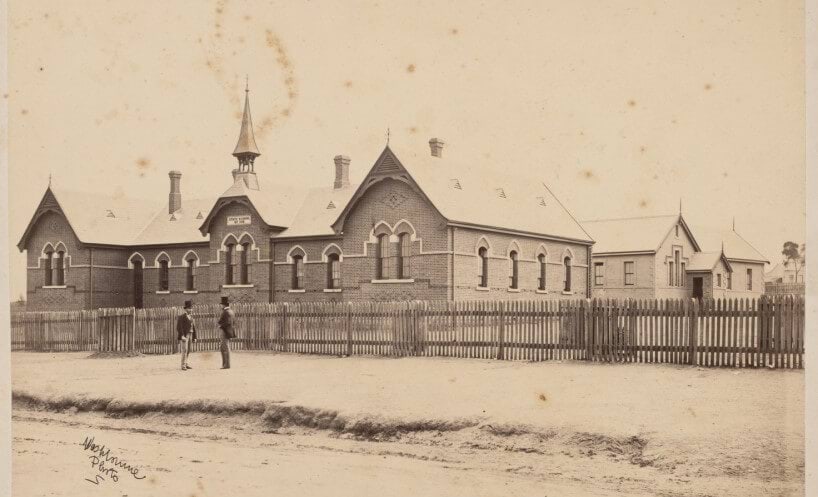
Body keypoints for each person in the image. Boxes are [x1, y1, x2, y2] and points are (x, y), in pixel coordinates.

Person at [176, 300, 197, 371]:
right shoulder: (181, 317)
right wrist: (182, 335)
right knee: (184, 350)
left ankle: (186, 363)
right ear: (185, 309)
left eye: (191, 308)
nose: (190, 310)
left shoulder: (191, 317)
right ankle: (183, 365)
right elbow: (179, 327)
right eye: (189, 308)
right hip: (185, 335)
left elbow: (193, 327)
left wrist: (194, 337)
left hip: (191, 334)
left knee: (188, 350)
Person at [217, 296, 235, 369]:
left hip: (224, 331)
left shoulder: (226, 312)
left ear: (224, 305)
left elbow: (227, 322)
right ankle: (225, 364)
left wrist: (220, 326)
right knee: (223, 347)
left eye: (221, 304)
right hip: (228, 331)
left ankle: (226, 365)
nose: (221, 305)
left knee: (225, 348)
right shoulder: (231, 311)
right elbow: (233, 322)